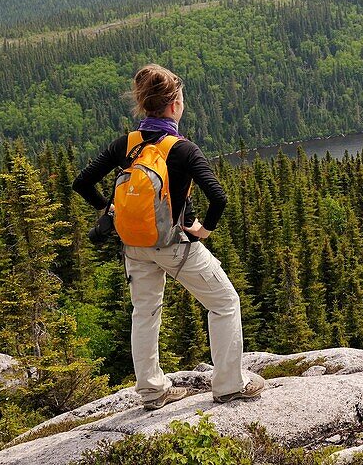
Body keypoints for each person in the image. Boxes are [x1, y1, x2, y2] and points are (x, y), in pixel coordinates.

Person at [73, 64, 265, 409]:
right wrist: (203, 230)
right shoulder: (182, 149)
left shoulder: (126, 144)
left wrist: (110, 211)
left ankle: (152, 391)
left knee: (144, 312)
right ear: (174, 105)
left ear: (144, 105)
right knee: (224, 303)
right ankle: (229, 384)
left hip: (135, 246)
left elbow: (81, 182)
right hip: (176, 245)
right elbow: (218, 197)